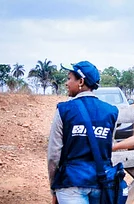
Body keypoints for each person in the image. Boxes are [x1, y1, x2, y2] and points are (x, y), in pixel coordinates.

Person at [47, 61, 119, 204]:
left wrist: (54, 186)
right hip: (101, 182)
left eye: (69, 78)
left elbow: (54, 154)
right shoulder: (111, 112)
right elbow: (107, 147)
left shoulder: (64, 110)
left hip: (71, 182)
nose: (66, 83)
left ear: (81, 81)